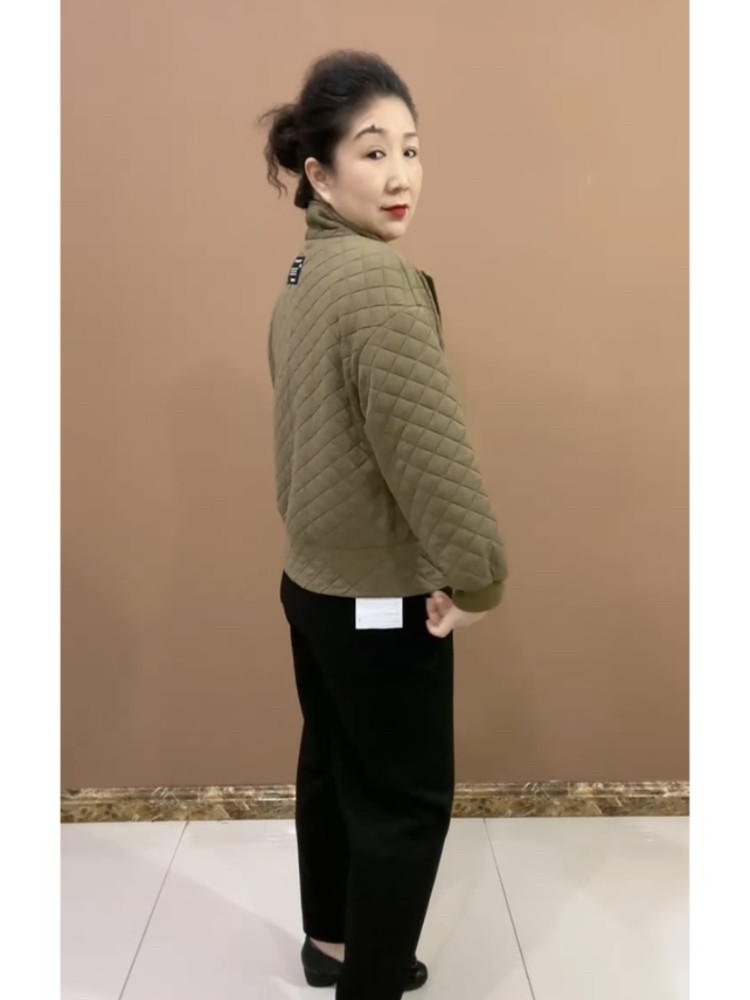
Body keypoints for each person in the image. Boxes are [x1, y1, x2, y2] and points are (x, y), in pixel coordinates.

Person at [261, 50, 508, 1000]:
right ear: (319, 175)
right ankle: (368, 980)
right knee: (402, 802)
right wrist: (479, 578)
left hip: (312, 587)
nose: (401, 173)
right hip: (377, 599)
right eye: (373, 152)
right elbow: (431, 457)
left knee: (333, 770)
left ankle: (331, 944)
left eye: (411, 148)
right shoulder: (378, 284)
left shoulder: (306, 270)